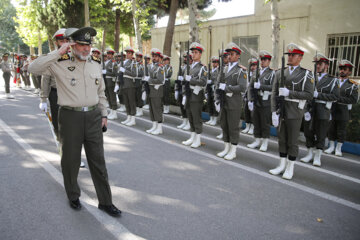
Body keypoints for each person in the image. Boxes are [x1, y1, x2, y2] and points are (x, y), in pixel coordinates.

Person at [28, 27, 121, 217]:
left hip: (94, 117)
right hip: (70, 117)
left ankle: (105, 201)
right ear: (72, 45)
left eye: (89, 45)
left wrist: (103, 114)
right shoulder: (59, 62)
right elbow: (32, 68)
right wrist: (58, 52)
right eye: (82, 45)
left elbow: (101, 93)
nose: (86, 49)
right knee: (70, 160)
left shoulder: (95, 63)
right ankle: (73, 195)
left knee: (98, 161)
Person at [269, 43, 314, 180]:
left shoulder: (306, 74)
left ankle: (290, 167)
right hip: (281, 110)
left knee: (292, 141)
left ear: (300, 57)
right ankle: (282, 164)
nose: (290, 57)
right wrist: (273, 111)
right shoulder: (279, 72)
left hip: (295, 111)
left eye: (293, 55)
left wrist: (291, 93)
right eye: (289, 55)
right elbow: (274, 93)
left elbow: (309, 94)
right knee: (282, 139)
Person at [300, 53, 339, 166]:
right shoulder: (311, 77)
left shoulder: (332, 80)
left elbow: (335, 97)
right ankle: (309, 154)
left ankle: (318, 156)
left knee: (321, 133)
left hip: (322, 109)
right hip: (310, 109)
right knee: (308, 132)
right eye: (316, 63)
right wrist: (305, 109)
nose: (317, 66)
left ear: (326, 65)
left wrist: (319, 95)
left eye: (320, 64)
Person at [216, 42, 247, 160]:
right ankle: (226, 148)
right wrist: (217, 99)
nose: (229, 56)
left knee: (233, 127)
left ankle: (233, 150)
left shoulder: (241, 70)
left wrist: (227, 88)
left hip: (234, 102)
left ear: (238, 56)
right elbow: (218, 84)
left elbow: (242, 87)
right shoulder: (224, 69)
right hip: (224, 101)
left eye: (232, 54)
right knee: (224, 125)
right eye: (228, 54)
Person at [325, 59, 358, 157]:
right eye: (341, 69)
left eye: (345, 69)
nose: (342, 71)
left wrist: (337, 98)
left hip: (343, 110)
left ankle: (338, 148)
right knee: (331, 128)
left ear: (349, 72)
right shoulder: (333, 81)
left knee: (341, 130)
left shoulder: (352, 85)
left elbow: (354, 99)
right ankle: (331, 147)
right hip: (332, 108)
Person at [247, 51, 275, 152]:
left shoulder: (272, 73)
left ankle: (265, 142)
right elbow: (250, 86)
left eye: (265, 60)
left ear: (269, 61)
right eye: (261, 60)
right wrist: (250, 99)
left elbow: (273, 87)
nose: (263, 62)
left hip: (266, 101)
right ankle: (257, 140)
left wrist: (261, 86)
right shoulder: (256, 72)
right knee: (256, 121)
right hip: (256, 99)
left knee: (264, 122)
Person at [181, 42, 208, 148]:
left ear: (200, 54)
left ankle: (198, 139)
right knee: (190, 116)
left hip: (196, 95)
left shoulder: (203, 68)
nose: (193, 54)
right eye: (192, 52)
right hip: (189, 94)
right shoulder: (189, 66)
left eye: (196, 52)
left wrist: (191, 80)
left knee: (196, 117)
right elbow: (184, 80)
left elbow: (203, 81)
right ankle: (192, 137)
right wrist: (184, 94)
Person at [145, 48, 165, 135]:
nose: (154, 58)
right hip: (150, 90)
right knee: (152, 109)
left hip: (157, 91)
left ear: (160, 58)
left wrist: (149, 80)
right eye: (153, 56)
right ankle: (154, 125)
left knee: (157, 109)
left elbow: (160, 80)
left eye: (156, 56)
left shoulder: (160, 67)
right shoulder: (150, 66)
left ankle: (159, 127)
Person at [115, 46, 137, 126]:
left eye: (129, 53)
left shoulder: (133, 63)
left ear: (132, 54)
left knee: (131, 102)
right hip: (123, 85)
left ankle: (133, 119)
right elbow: (119, 74)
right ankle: (128, 117)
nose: (127, 54)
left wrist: (125, 71)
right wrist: (117, 84)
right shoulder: (123, 62)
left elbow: (134, 74)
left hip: (130, 85)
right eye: (127, 53)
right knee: (126, 102)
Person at [177, 52, 192, 130]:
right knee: (182, 106)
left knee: (187, 106)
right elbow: (177, 78)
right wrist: (176, 89)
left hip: (186, 89)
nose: (185, 59)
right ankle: (184, 121)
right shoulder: (182, 67)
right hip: (181, 88)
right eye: (185, 57)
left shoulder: (190, 67)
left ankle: (189, 122)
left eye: (187, 57)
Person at [242, 58, 257, 135]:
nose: (252, 67)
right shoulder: (247, 73)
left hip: (254, 96)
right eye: (251, 65)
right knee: (246, 111)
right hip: (247, 95)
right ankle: (247, 126)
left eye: (254, 65)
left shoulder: (258, 74)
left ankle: (252, 127)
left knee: (253, 112)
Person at [103, 48, 118, 120]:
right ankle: (111, 111)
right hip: (106, 81)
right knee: (108, 97)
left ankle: (114, 112)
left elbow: (115, 73)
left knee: (112, 97)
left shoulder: (114, 63)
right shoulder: (106, 62)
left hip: (111, 82)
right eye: (108, 54)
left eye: (110, 54)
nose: (108, 55)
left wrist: (106, 72)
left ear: (112, 55)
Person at [205, 56, 219, 126]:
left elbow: (218, 80)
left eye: (216, 62)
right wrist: (206, 91)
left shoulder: (218, 71)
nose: (214, 63)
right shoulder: (210, 71)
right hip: (209, 88)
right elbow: (206, 80)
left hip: (215, 89)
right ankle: (211, 118)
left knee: (214, 104)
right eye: (213, 62)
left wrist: (214, 84)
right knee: (209, 103)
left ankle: (215, 119)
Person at [134, 51, 145, 116]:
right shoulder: (135, 64)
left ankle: (140, 110)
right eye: (137, 57)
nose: (137, 58)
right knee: (135, 96)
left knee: (139, 96)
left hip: (139, 81)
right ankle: (137, 109)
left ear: (141, 58)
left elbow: (142, 73)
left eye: (139, 57)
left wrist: (135, 74)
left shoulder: (141, 66)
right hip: (135, 81)